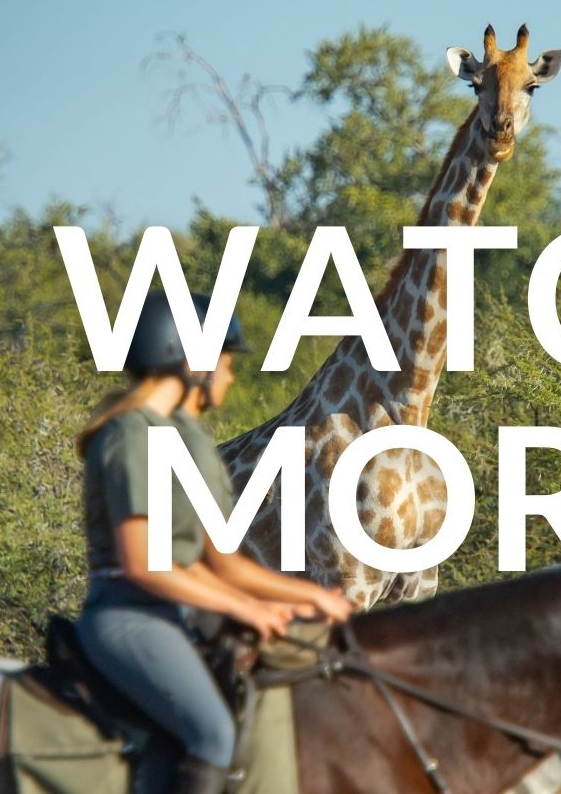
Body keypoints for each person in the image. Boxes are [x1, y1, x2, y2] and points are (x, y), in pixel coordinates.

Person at [74, 290, 353, 794]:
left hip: (177, 615)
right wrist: (246, 609)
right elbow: (145, 566)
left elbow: (218, 562)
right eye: (223, 361)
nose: (229, 374)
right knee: (214, 734)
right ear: (190, 362)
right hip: (132, 616)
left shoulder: (182, 437)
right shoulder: (130, 438)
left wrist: (307, 597)